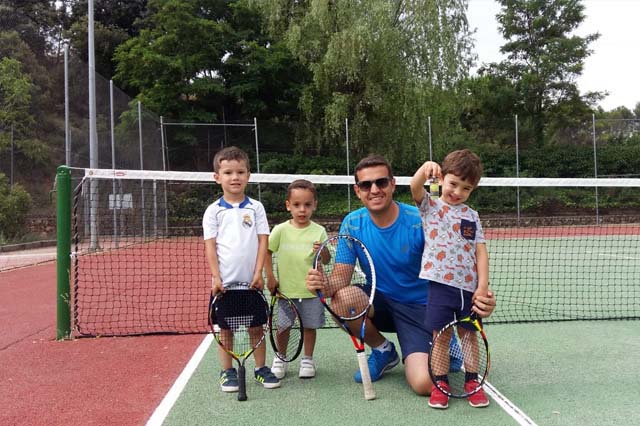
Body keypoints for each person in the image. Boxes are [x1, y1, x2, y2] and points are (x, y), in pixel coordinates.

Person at [305, 154, 496, 398]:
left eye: (381, 182)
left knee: (425, 385)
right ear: (358, 191)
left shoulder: (423, 219)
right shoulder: (352, 223)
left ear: (393, 184)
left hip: (422, 308)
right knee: (343, 299)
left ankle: (446, 340)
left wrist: (481, 293)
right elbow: (339, 282)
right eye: (366, 185)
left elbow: (462, 257)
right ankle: (383, 351)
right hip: (380, 302)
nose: (374, 190)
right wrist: (321, 284)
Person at [410, 149, 490, 409]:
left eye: (466, 188)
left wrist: (482, 286)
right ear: (442, 178)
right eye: (453, 184)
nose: (457, 192)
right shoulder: (432, 204)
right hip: (440, 286)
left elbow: (480, 253)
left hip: (468, 289)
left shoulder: (472, 216)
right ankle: (441, 382)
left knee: (469, 336)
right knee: (441, 337)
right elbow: (414, 187)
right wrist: (426, 167)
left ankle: (471, 381)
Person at [202, 146, 280, 392]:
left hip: (251, 283)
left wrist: (259, 274)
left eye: (240, 172)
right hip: (225, 285)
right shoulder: (213, 211)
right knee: (225, 330)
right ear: (217, 177)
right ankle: (227, 371)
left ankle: (260, 368)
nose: (234, 177)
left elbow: (263, 241)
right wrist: (216, 277)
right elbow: (210, 246)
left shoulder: (255, 208)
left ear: (248, 175)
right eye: (228, 172)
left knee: (257, 327)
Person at [265, 179, 330, 379]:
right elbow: (267, 252)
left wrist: (323, 250)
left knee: (309, 327)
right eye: (296, 205)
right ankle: (280, 358)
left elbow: (326, 260)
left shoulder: (318, 231)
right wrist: (270, 276)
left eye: (307, 205)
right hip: (285, 292)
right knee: (283, 327)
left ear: (314, 205)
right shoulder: (280, 230)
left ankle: (307, 360)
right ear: (288, 206)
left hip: (311, 292)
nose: (302, 210)